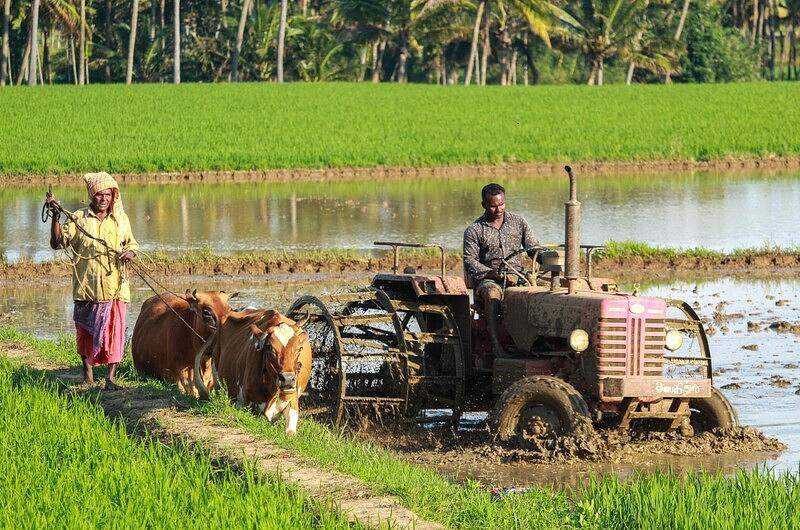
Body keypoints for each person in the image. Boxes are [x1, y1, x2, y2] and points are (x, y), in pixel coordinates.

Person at [47, 173, 138, 389]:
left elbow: (132, 244)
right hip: (86, 288)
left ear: (113, 196)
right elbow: (57, 243)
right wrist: (55, 217)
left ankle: (111, 378)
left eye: (108, 194)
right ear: (91, 195)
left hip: (115, 288)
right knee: (86, 333)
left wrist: (130, 253)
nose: (104, 199)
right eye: (99, 194)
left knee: (114, 332)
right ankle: (87, 376)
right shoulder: (78, 218)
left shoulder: (120, 219)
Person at [463, 183, 539, 357]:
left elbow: (533, 248)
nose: (499, 209)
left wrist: (547, 258)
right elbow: (470, 261)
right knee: (492, 295)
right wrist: (493, 274)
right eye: (493, 205)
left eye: (502, 204)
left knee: (544, 291)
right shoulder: (474, 230)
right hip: (489, 279)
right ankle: (497, 346)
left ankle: (534, 344)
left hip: (518, 276)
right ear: (483, 205)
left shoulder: (519, 222)